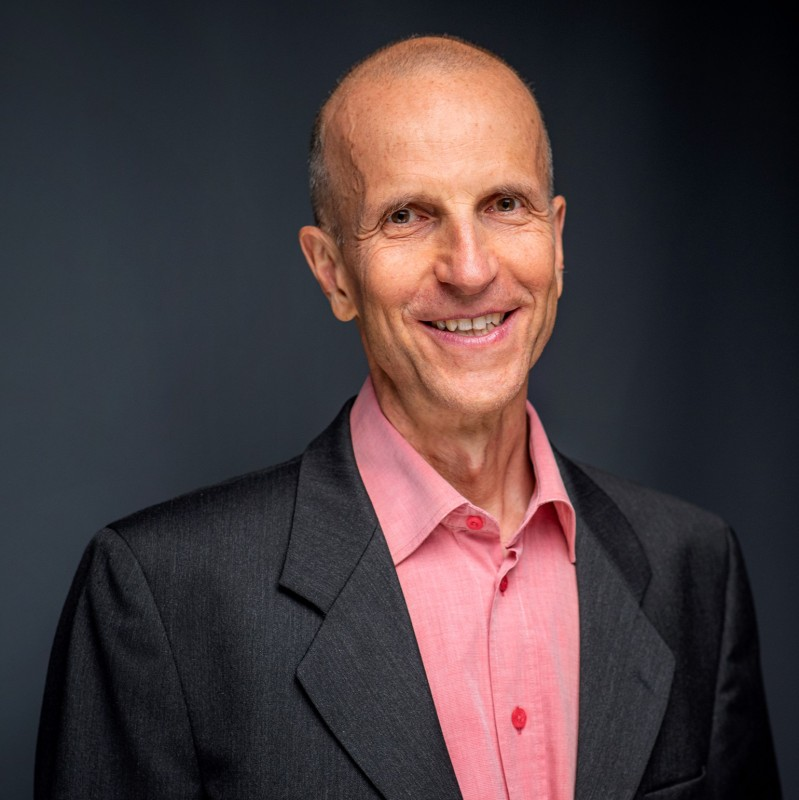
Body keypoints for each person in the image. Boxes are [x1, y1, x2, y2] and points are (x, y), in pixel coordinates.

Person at [35, 35, 780, 800]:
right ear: (332, 272)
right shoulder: (161, 599)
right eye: (407, 215)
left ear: (556, 240)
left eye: (504, 205)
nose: (470, 268)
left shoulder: (694, 567)